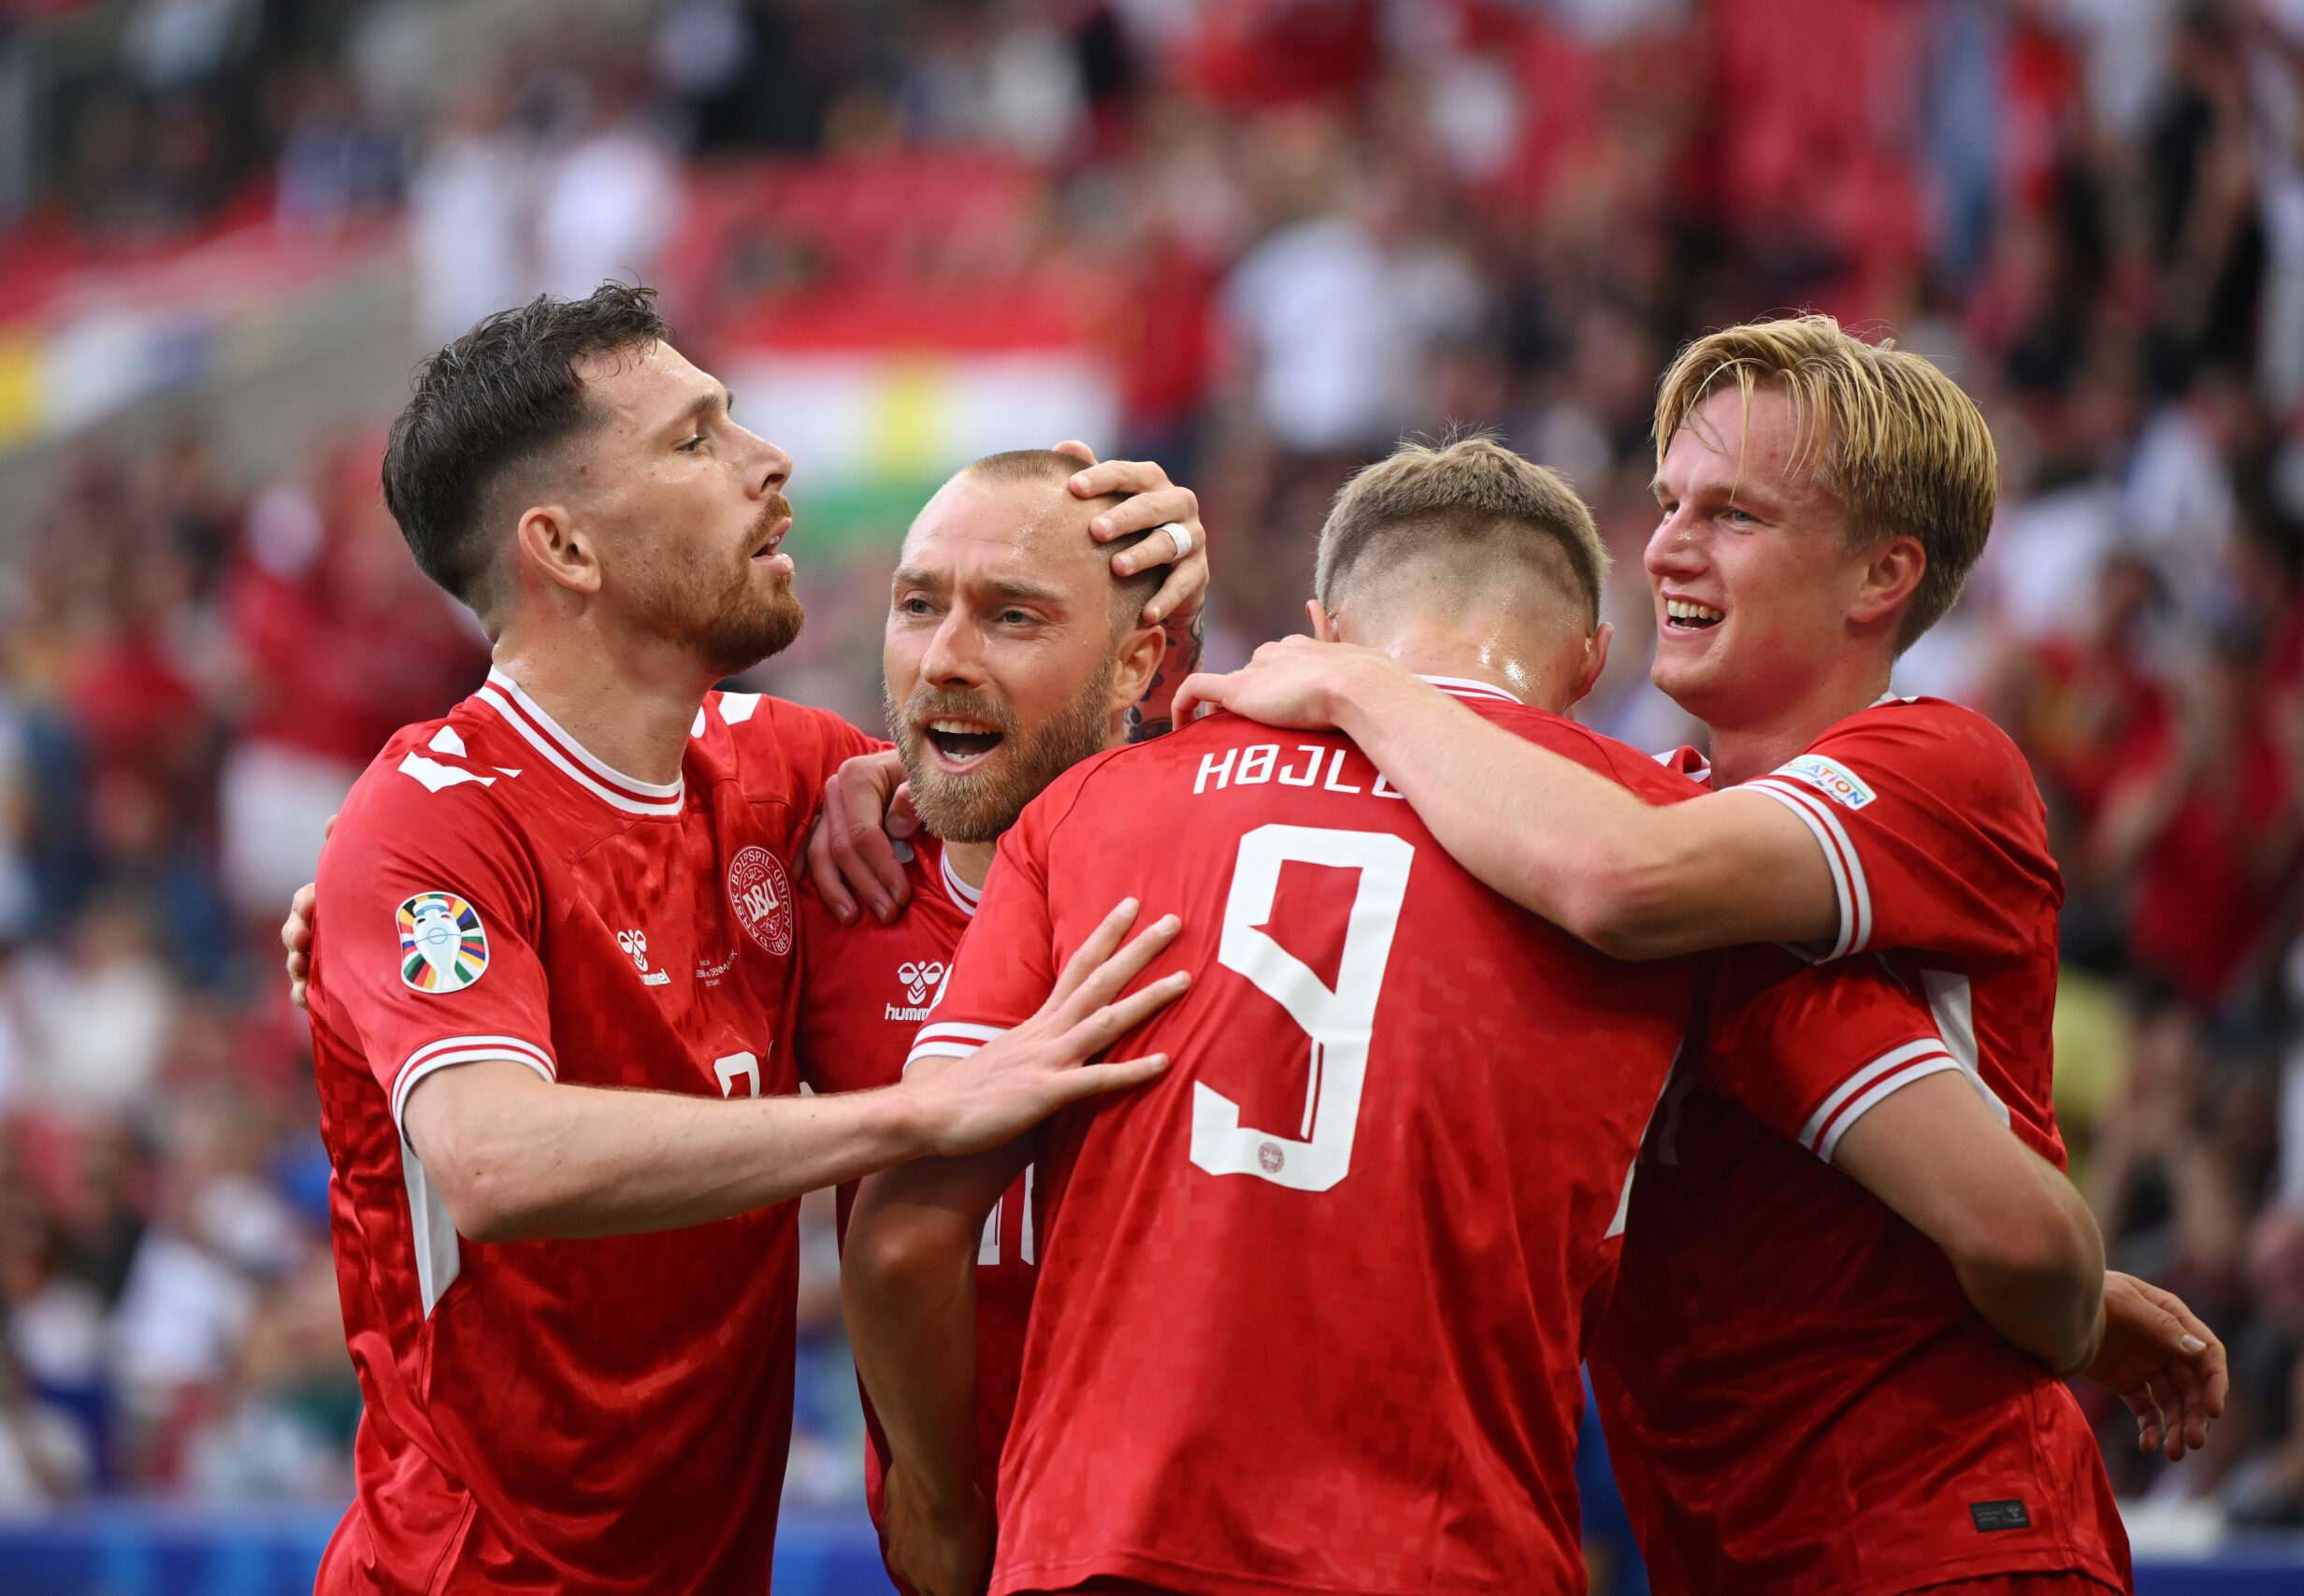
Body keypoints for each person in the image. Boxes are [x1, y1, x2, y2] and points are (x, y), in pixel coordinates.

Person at [1176, 316, 2225, 1593]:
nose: (1667, 544)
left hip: (1936, 1543)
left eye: (1734, 514)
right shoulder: (1641, 806)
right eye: (1669, 501)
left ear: (1880, 574)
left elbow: (1628, 882)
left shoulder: (1937, 765)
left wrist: (1360, 683)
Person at [840, 439, 1985, 1596]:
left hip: (1101, 1544)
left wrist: (941, 1516)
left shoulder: (1092, 807)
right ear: (1591, 660)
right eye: (918, 604)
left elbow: (900, 1234)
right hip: (1449, 1551)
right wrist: (2071, 1306)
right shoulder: (1668, 838)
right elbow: (2002, 1220)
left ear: (1323, 631)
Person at [304, 286, 1198, 1594]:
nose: (767, 460)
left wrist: (1154, 601)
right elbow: (493, 1156)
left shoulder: (784, 772)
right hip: (465, 1573)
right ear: (565, 547)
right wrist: (919, 1113)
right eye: (695, 439)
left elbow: (1037, 766)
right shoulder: (429, 819)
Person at [790, 447, 1175, 1578]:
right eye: (918, 606)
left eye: (1011, 616)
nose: (945, 659)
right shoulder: (821, 887)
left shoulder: (1222, 887)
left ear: (1135, 662)